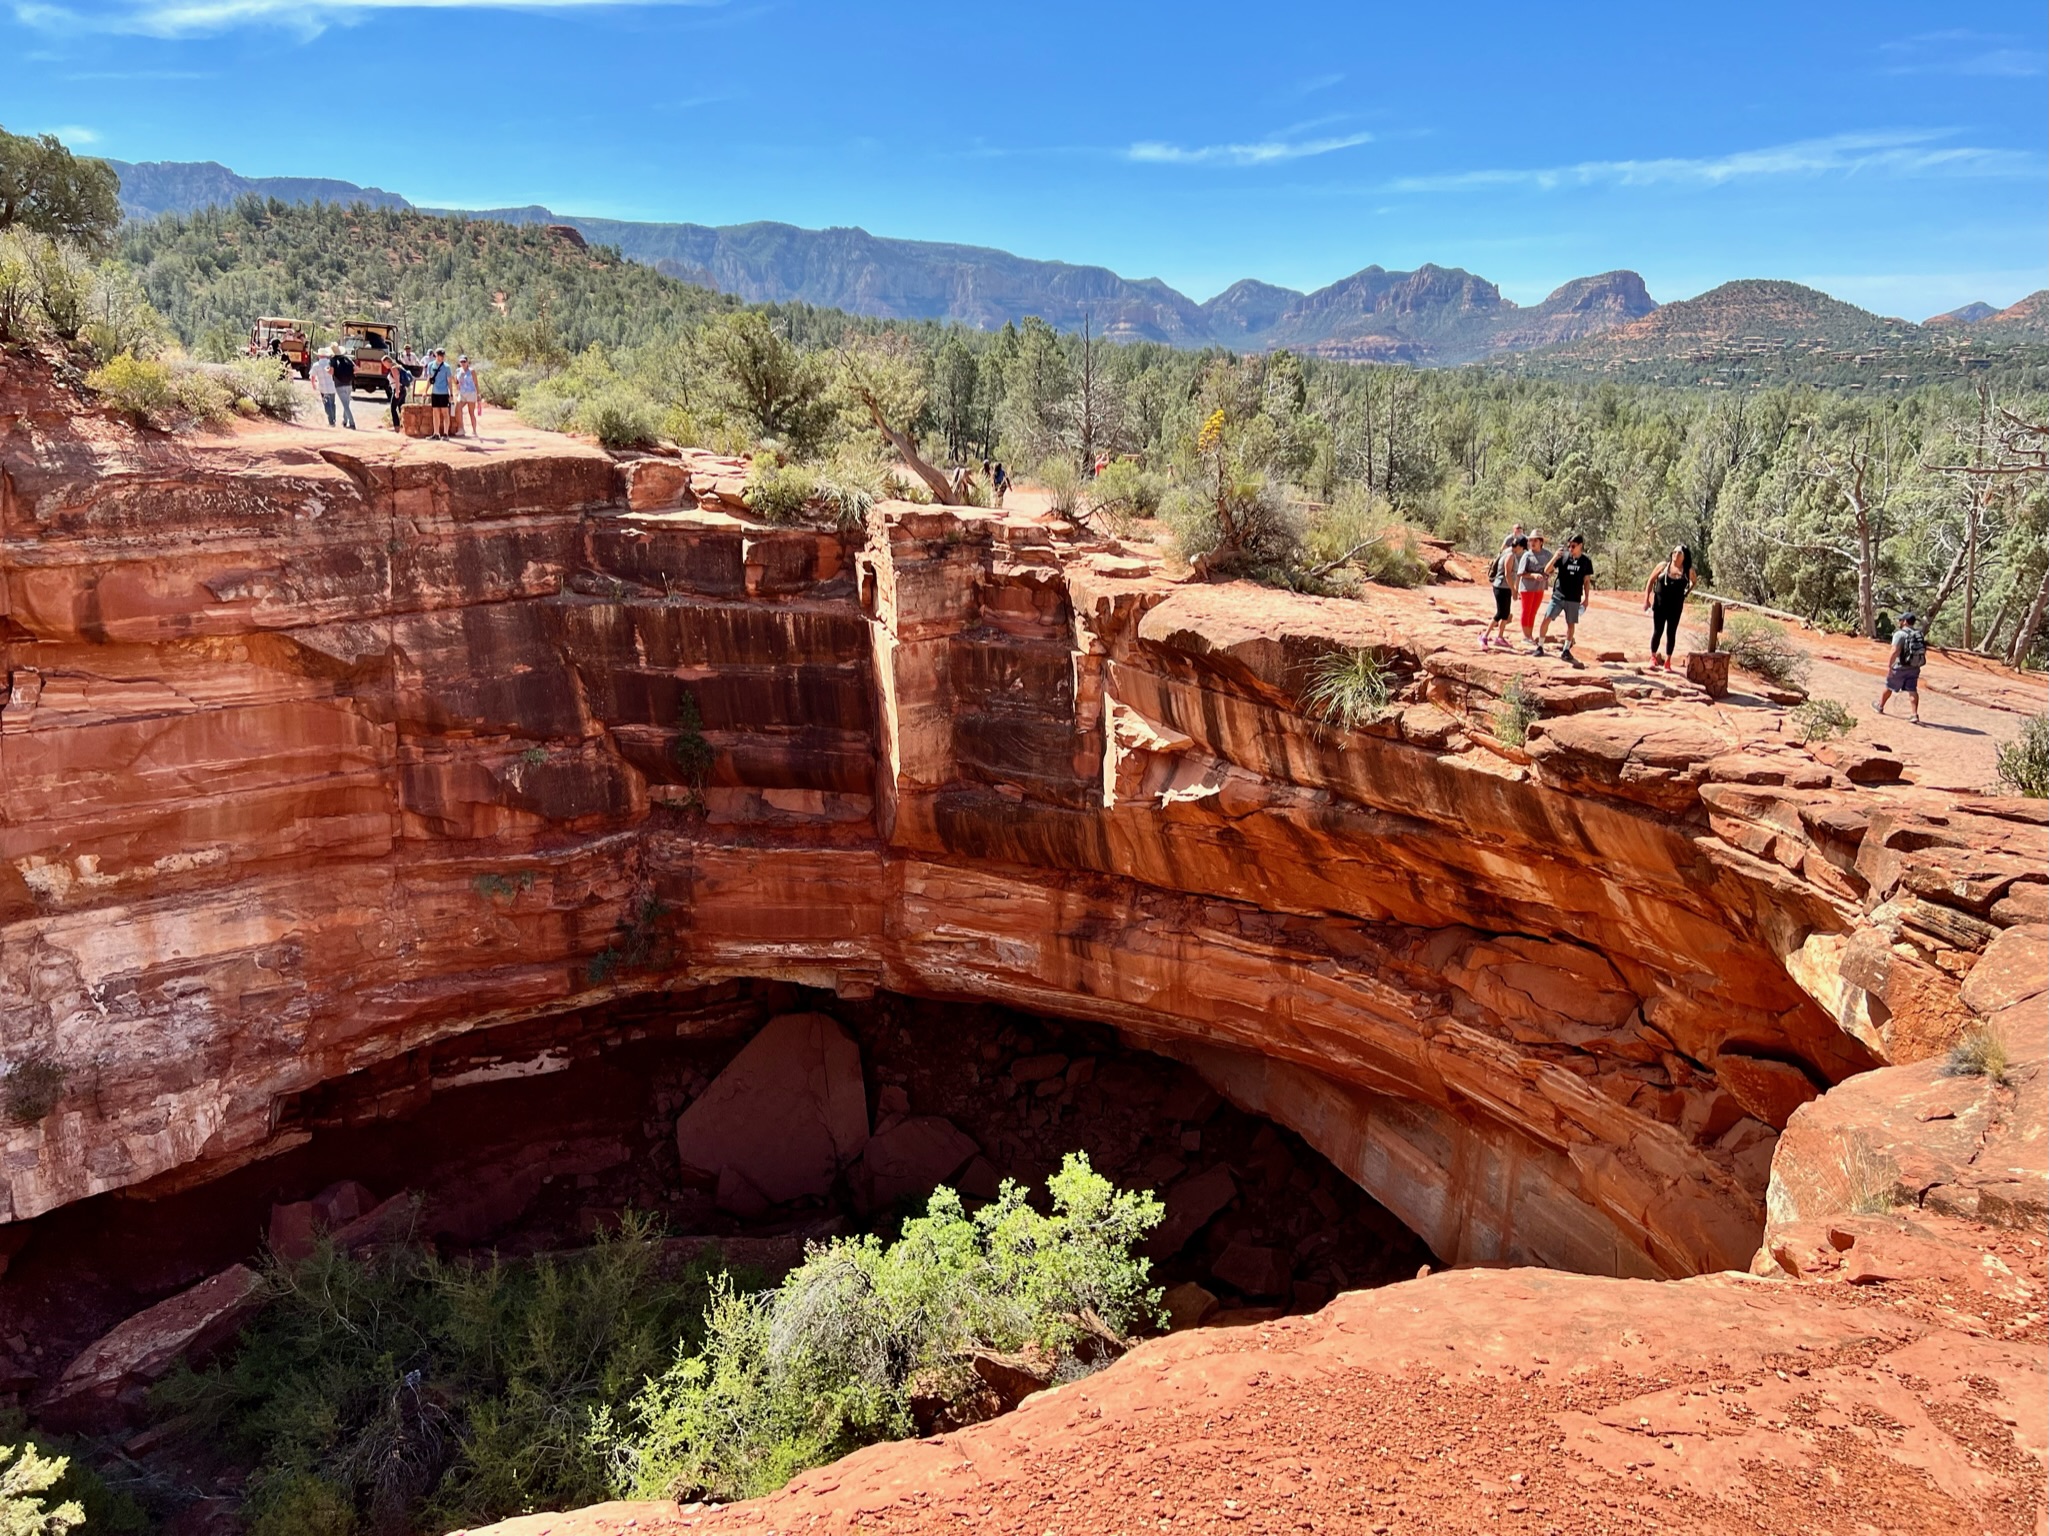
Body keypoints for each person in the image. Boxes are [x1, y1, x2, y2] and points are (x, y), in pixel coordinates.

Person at [1535, 533, 1596, 662]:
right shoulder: (1563, 557)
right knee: (1547, 618)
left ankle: (1566, 650)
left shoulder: (1586, 561)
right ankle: (1540, 646)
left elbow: (1586, 580)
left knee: (1571, 624)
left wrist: (1586, 598)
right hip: (1558, 595)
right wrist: (1555, 557)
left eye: (1573, 546)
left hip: (1574, 598)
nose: (1570, 549)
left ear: (1580, 545)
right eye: (1569, 546)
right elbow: (1546, 570)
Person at [1641, 544, 1695, 671]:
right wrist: (1646, 599)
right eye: (1674, 552)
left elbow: (1694, 581)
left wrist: (1686, 593)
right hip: (1660, 605)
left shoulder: (1688, 571)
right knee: (1657, 631)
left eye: (1679, 553)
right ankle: (1653, 657)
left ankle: (1668, 661)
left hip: (1675, 608)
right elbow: (1650, 581)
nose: (1676, 554)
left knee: (1671, 633)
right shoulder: (1663, 566)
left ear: (1684, 556)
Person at [1876, 612, 1927, 723]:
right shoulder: (1919, 634)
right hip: (1914, 667)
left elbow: (1895, 651)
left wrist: (1889, 666)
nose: (1899, 622)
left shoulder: (1900, 634)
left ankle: (1880, 706)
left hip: (1900, 667)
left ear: (1904, 621)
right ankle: (1914, 714)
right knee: (1912, 690)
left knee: (1889, 686)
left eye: (1901, 620)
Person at [1482, 535, 1526, 650]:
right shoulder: (1510, 555)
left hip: (1505, 588)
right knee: (1500, 613)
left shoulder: (1509, 552)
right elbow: (1507, 574)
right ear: (1520, 547)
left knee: (1506, 613)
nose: (1523, 551)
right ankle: (1484, 636)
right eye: (1523, 548)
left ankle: (1500, 637)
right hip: (1501, 587)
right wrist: (1514, 590)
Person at [1514, 531, 1553, 645]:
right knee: (1527, 611)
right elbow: (1521, 573)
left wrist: (1548, 575)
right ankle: (1526, 636)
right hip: (1527, 587)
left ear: (1541, 542)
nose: (1532, 543)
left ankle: (1529, 635)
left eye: (1535, 540)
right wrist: (1533, 575)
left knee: (1533, 611)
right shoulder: (1527, 555)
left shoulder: (1547, 554)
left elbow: (1552, 568)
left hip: (1539, 587)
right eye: (1530, 540)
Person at [425, 348, 455, 440]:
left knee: (445, 413)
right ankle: (436, 433)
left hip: (443, 392)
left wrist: (451, 393)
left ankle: (445, 433)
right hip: (435, 392)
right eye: (439, 355)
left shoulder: (446, 367)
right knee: (435, 413)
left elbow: (449, 381)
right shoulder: (430, 365)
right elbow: (429, 379)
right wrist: (425, 391)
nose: (441, 357)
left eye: (442, 355)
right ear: (436, 355)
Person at [328, 345, 357, 429]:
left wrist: (327, 370)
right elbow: (356, 369)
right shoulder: (348, 359)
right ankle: (345, 421)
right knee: (347, 403)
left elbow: (331, 372)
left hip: (339, 384)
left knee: (345, 405)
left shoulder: (333, 360)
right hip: (349, 384)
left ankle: (352, 423)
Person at [454, 355, 481, 438]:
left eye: (464, 361)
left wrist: (478, 394)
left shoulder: (472, 371)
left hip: (471, 393)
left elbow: (476, 383)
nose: (463, 363)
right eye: (461, 362)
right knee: (457, 409)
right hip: (462, 393)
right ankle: (461, 429)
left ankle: (474, 430)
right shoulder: (458, 371)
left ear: (467, 362)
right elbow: (456, 381)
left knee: (471, 412)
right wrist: (456, 384)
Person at [310, 346, 337, 426]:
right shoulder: (330, 363)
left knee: (327, 404)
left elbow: (312, 376)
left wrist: (313, 384)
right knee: (332, 403)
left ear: (319, 356)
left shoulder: (316, 365)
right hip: (332, 386)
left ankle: (331, 421)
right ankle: (333, 419)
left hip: (323, 387)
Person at [385, 352, 410, 431]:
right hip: (402, 389)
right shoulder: (397, 367)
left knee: (393, 408)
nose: (384, 365)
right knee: (400, 408)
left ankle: (397, 426)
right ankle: (405, 425)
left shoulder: (393, 368)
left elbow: (397, 380)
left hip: (398, 389)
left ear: (387, 362)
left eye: (384, 363)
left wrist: (397, 392)